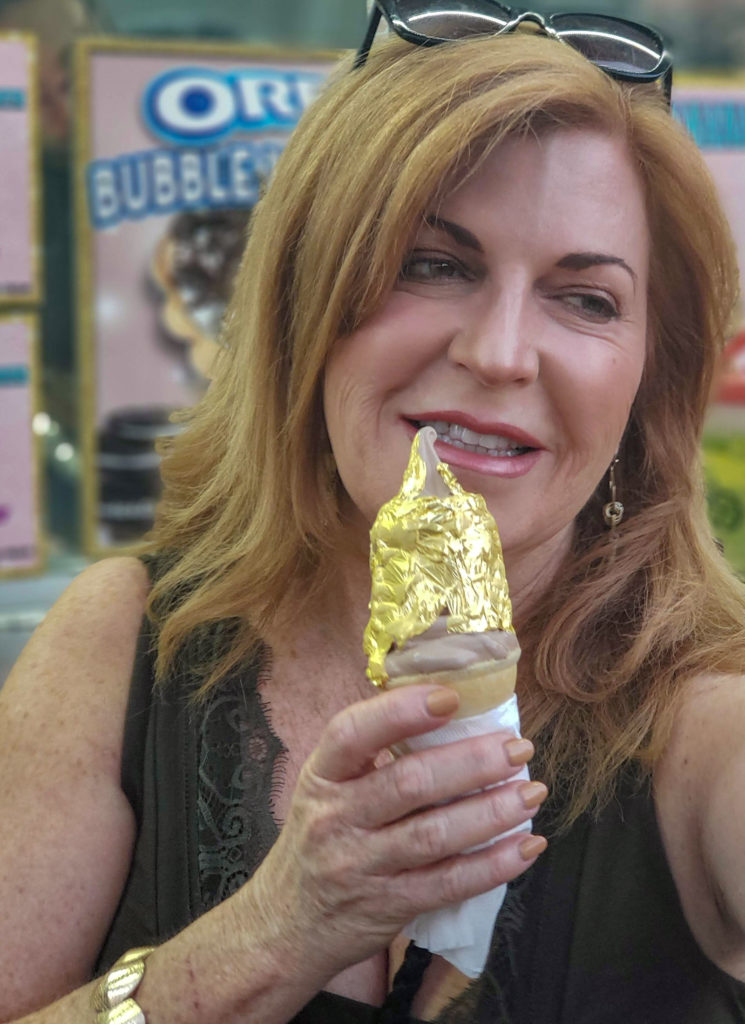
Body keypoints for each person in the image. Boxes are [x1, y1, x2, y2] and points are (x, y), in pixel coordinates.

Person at [2, 4, 745, 1023]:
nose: (499, 352)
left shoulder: (709, 714)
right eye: (434, 265)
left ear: (646, 380)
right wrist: (272, 931)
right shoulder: (123, 639)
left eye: (586, 298)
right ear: (303, 310)